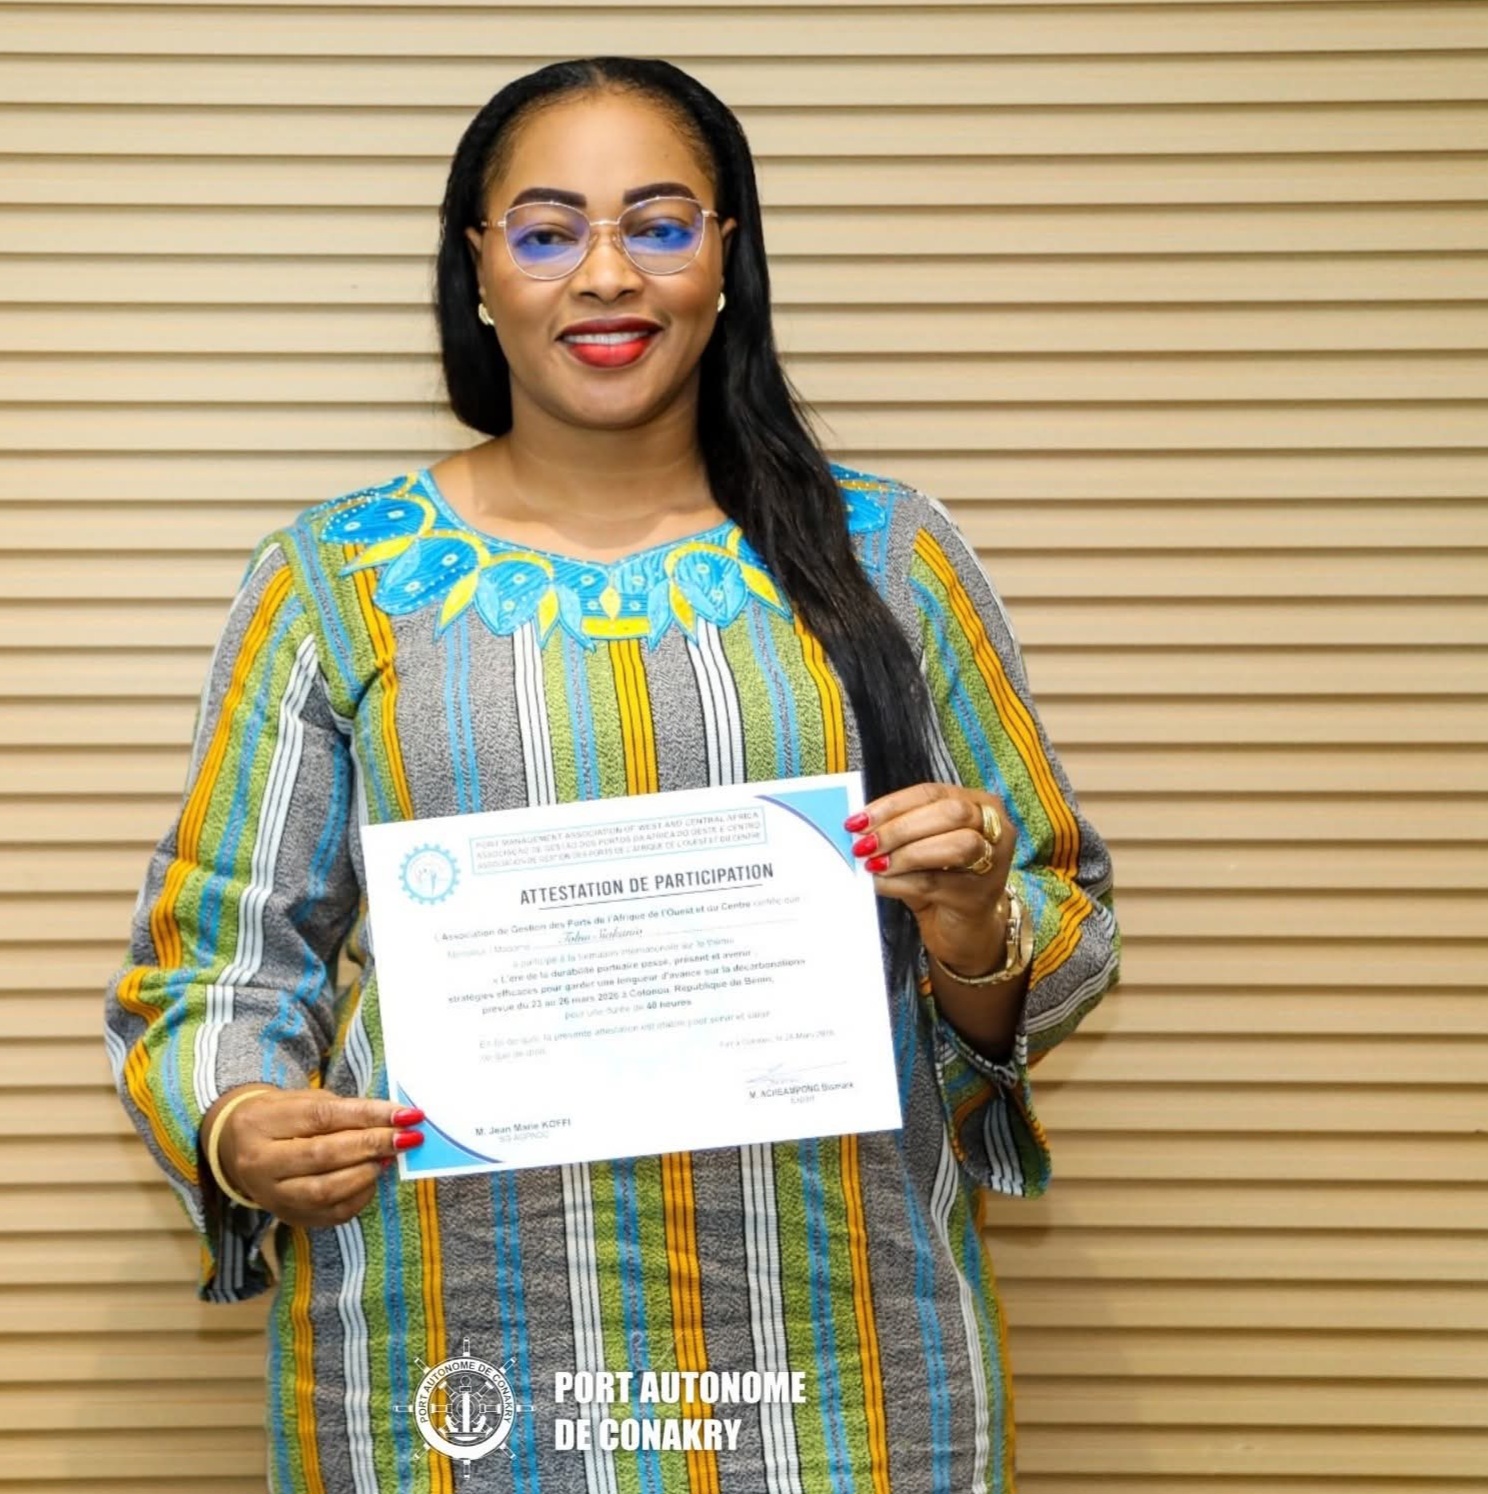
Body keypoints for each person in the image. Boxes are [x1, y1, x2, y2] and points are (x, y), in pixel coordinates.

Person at [103, 55, 1121, 1494]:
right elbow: (219, 957)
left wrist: (973, 924)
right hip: (450, 1355)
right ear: (477, 270)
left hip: (842, 1360)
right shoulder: (335, 580)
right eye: (546, 231)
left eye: (657, 223)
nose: (604, 273)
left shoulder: (889, 555)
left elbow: (1058, 913)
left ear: (726, 257)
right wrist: (240, 1121)